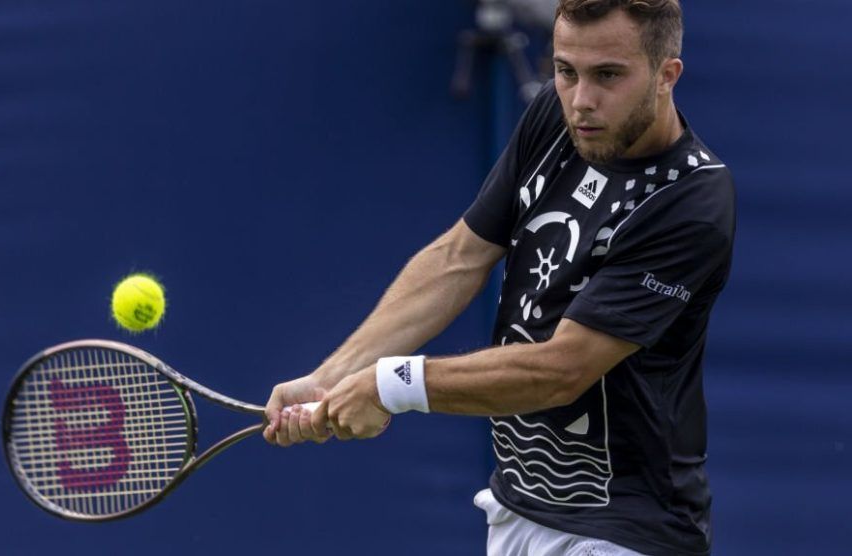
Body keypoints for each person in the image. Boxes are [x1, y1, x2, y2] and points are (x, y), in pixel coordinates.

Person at [263, 1, 734, 554]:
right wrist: (335, 373)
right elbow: (458, 257)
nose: (582, 99)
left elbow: (561, 371)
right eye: (565, 71)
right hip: (514, 509)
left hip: (625, 531)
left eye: (608, 74)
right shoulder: (556, 123)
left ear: (666, 74)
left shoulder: (692, 201)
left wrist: (390, 386)